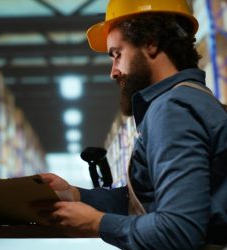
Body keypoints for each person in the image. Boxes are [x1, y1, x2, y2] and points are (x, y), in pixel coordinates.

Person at [38, 0, 227, 249]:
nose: (113, 71)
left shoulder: (173, 109)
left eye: (117, 54)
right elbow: (148, 199)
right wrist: (75, 195)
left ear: (151, 42)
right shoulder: (192, 100)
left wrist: (98, 223)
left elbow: (179, 231)